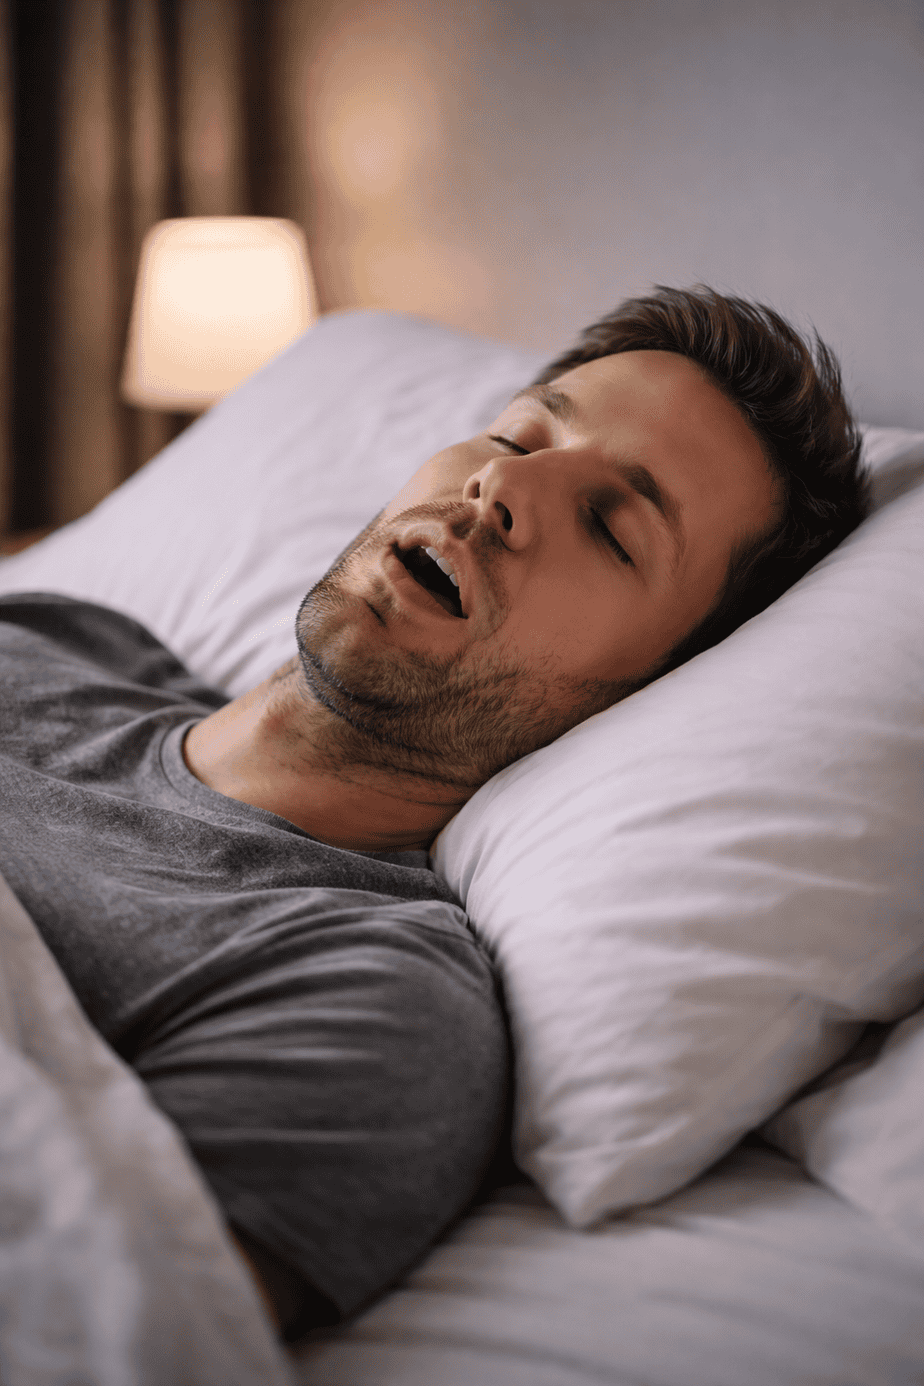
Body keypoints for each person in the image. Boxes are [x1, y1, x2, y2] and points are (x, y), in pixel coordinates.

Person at [0, 286, 870, 1340]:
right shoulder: (63, 635)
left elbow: (108, 1329)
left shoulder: (364, 992)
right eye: (514, 433)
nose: (504, 481)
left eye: (611, 527)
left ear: (655, 686)